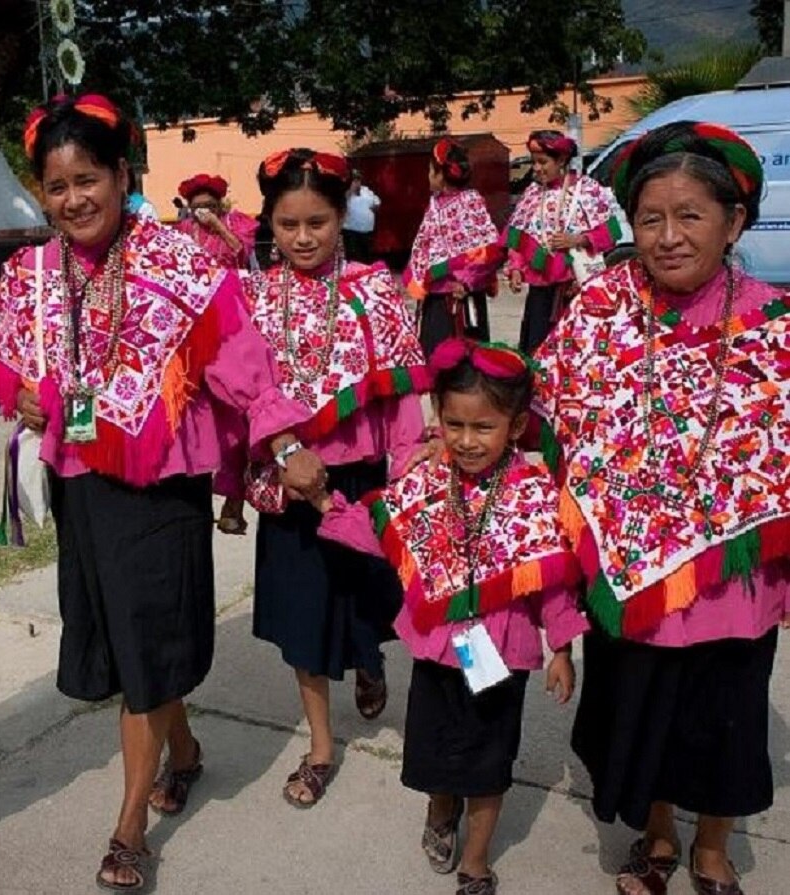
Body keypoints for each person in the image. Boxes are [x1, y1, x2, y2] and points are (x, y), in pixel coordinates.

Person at [0, 94, 325, 891]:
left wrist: (285, 441)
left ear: (121, 175)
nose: (74, 199)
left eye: (88, 179)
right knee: (126, 639)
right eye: (57, 185)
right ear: (41, 192)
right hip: (78, 481)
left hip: (160, 481)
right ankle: (189, 752)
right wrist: (21, 393)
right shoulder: (29, 274)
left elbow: (240, 363)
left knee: (142, 641)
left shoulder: (182, 261)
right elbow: (3, 363)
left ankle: (129, 826)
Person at [529, 122, 789, 895]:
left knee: (723, 722)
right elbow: (548, 407)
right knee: (643, 717)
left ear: (734, 221)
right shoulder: (600, 305)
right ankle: (659, 832)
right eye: (649, 219)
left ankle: (712, 848)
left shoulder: (776, 326)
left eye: (690, 216)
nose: (668, 237)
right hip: (629, 571)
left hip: (732, 582)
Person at [314, 338, 586, 895]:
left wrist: (562, 646)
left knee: (489, 761)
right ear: (439, 418)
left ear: (513, 427)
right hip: (439, 651)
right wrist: (325, 505)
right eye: (455, 424)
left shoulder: (535, 494)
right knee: (436, 752)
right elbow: (383, 530)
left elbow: (551, 577)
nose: (466, 440)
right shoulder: (428, 480)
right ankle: (441, 812)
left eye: (483, 428)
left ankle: (477, 860)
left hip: (502, 658)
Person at [223, 147, 428, 807]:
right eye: (287, 224)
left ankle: (369, 663)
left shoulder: (374, 289)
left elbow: (400, 391)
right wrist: (280, 458)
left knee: (370, 602)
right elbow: (235, 390)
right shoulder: (252, 294)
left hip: (360, 475)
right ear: (269, 225)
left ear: (342, 217)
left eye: (316, 221)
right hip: (286, 480)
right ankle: (318, 744)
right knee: (301, 621)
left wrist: (407, 468)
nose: (302, 237)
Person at [502, 130, 624, 354]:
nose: (537, 168)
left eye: (542, 162)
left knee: (575, 347)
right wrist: (516, 268)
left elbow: (610, 232)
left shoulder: (587, 190)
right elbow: (519, 236)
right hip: (541, 288)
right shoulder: (532, 194)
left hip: (574, 286)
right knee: (538, 346)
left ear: (561, 160)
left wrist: (578, 239)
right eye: (534, 162)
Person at [404, 138, 505, 357]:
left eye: (431, 170)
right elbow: (424, 246)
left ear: (441, 175)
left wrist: (467, 281)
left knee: (467, 364)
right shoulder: (434, 205)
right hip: (436, 299)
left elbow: (489, 248)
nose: (428, 175)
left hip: (463, 299)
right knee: (435, 359)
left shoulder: (471, 202)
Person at [174, 172, 259, 269]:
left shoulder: (233, 221)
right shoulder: (184, 228)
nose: (203, 210)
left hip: (230, 279)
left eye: (209, 206)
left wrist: (217, 225)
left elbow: (242, 253)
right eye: (197, 207)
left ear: (219, 205)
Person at [342, 169, 381, 262]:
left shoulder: (366, 190)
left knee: (366, 257)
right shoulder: (346, 193)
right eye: (354, 180)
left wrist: (374, 208)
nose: (357, 183)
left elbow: (377, 203)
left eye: (358, 180)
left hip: (367, 231)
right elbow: (341, 204)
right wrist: (350, 190)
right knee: (352, 258)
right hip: (351, 231)